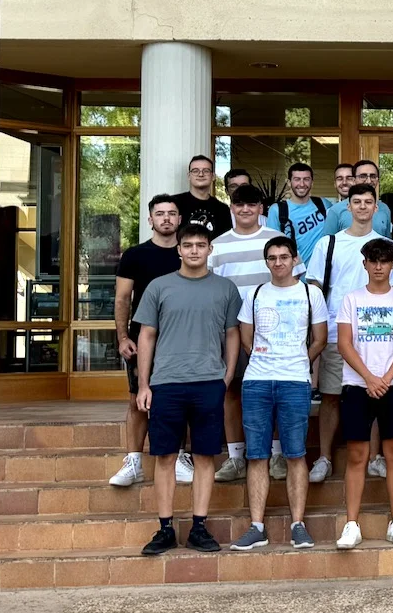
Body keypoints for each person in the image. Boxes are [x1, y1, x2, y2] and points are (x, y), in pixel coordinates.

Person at [135, 224, 243, 556]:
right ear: (178, 250)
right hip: (166, 383)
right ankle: (165, 528)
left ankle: (199, 526)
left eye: (200, 244)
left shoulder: (225, 289)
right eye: (188, 245)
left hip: (208, 383)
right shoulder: (158, 287)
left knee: (204, 456)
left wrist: (225, 377)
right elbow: (146, 336)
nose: (194, 250)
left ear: (210, 249)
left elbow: (232, 334)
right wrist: (143, 384)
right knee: (165, 456)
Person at [305, 184, 393, 485]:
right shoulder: (329, 244)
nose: (362, 207)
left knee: (377, 391)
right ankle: (324, 457)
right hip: (338, 334)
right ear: (347, 206)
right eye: (356, 202)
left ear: (376, 208)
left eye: (368, 202)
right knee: (330, 395)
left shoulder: (387, 245)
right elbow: (315, 288)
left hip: (379, 338)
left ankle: (376, 457)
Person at [230, 236, 328, 551]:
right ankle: (257, 526)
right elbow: (246, 337)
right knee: (257, 454)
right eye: (272, 258)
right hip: (257, 380)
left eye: (284, 257)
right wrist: (265, 359)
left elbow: (320, 338)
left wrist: (298, 361)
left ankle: (298, 524)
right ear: (266, 261)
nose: (278, 263)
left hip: (295, 381)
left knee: (296, 453)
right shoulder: (256, 293)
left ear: (294, 259)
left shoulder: (310, 293)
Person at [334, 237, 393, 548]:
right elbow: (344, 343)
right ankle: (351, 523)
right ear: (365, 263)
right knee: (357, 454)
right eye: (373, 260)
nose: (379, 266)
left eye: (385, 260)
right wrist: (369, 377)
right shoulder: (351, 299)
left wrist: (385, 377)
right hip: (357, 385)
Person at [208, 183, 293, 483]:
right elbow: (210, 288)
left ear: (261, 208)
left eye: (251, 204)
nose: (245, 209)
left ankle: (278, 454)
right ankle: (235, 457)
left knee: (277, 393)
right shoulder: (217, 245)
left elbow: (297, 281)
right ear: (231, 207)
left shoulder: (276, 240)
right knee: (232, 390)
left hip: (276, 332)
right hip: (231, 330)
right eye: (239, 204)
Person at [110, 195, 193, 488]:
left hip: (182, 337)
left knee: (180, 398)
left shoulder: (188, 252)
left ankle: (181, 455)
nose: (167, 219)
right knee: (136, 399)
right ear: (150, 220)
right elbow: (122, 299)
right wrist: (122, 337)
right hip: (141, 336)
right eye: (160, 214)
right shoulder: (134, 255)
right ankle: (133, 460)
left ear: (180, 219)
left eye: (172, 213)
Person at [271, 162, 333, 262]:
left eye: (306, 179)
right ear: (288, 182)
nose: (302, 184)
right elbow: (272, 246)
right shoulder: (277, 210)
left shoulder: (323, 204)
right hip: (294, 274)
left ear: (312, 182)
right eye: (297, 179)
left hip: (323, 273)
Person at [325, 160, 393, 239]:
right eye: (363, 176)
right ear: (353, 180)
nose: (368, 181)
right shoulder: (336, 210)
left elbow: (387, 242)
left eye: (373, 176)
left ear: (377, 180)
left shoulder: (384, 208)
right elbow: (327, 244)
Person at [171, 155, 232, 239]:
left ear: (213, 176)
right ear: (189, 176)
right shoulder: (174, 203)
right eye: (195, 171)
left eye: (206, 171)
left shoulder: (222, 209)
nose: (200, 174)